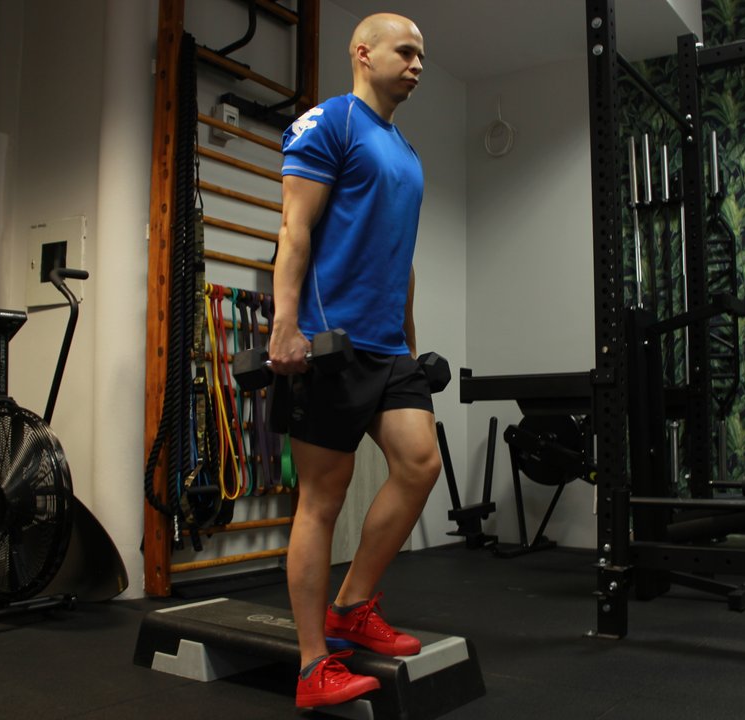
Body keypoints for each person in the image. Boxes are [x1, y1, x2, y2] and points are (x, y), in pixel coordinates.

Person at [269, 12, 440, 709]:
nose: (418, 64)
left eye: (422, 55)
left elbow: (402, 259)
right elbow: (295, 226)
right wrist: (285, 325)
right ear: (363, 53)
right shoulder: (331, 123)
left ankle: (352, 605)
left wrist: (409, 339)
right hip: (328, 343)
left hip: (389, 347)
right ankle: (315, 665)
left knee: (419, 464)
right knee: (323, 500)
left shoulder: (407, 153)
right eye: (406, 51)